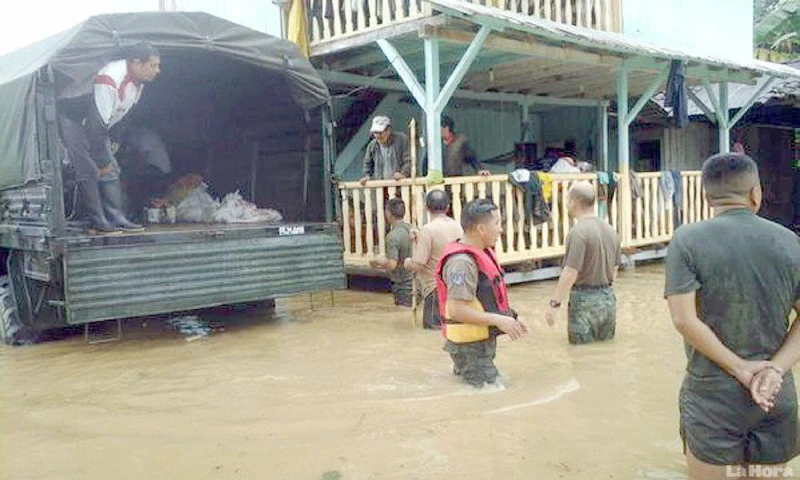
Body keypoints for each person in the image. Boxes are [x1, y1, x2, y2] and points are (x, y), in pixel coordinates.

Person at [664, 153, 800, 478]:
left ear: (705, 195)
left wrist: (740, 368)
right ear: (756, 193)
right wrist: (774, 370)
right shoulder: (789, 241)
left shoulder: (687, 240)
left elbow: (683, 320)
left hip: (713, 396)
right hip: (773, 394)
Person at [58, 42, 161, 234]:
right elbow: (95, 127)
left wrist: (116, 140)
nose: (157, 70)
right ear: (136, 63)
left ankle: (116, 217)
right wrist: (102, 162)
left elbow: (123, 114)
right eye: (153, 65)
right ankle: (98, 220)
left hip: (96, 122)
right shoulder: (110, 78)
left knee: (111, 170)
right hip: (74, 118)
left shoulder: (138, 83)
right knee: (89, 170)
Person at [436, 199, 528, 387]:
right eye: (497, 224)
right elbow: (457, 310)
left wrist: (513, 316)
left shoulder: (481, 253)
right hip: (470, 349)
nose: (500, 229)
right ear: (481, 229)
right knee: (496, 394)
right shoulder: (462, 263)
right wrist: (499, 320)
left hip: (477, 346)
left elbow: (486, 298)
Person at [545, 181, 621, 344]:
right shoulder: (611, 231)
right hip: (608, 300)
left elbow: (571, 272)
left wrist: (554, 304)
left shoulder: (578, 233)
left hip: (584, 301)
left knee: (581, 357)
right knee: (605, 352)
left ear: (573, 202)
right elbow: (614, 273)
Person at [404, 189, 464, 329]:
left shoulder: (428, 230)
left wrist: (407, 262)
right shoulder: (458, 227)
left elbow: (418, 263)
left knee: (433, 330)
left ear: (427, 208)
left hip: (436, 290)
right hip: (457, 286)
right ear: (448, 207)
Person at [370, 198, 413, 307]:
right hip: (417, 282)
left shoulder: (392, 236)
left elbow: (392, 264)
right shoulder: (412, 229)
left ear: (388, 213)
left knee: (401, 316)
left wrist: (379, 262)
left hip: (402, 285)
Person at [359, 116, 411, 185]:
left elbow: (408, 160)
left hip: (402, 185)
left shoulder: (402, 139)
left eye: (380, 132)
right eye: (375, 133)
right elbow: (367, 164)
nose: (377, 136)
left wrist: (403, 173)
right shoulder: (372, 146)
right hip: (382, 187)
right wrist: (367, 176)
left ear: (389, 130)